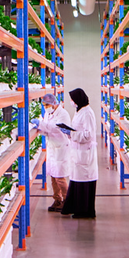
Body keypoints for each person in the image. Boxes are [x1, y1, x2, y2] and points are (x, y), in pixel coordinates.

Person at [58, 88, 99, 219]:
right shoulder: (80, 111)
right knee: (76, 181)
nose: (71, 102)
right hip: (78, 151)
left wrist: (71, 133)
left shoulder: (87, 113)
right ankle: (75, 208)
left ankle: (84, 211)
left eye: (72, 99)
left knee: (84, 183)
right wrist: (70, 132)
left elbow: (88, 135)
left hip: (85, 153)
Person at [33, 92, 71, 211]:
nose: (46, 108)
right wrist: (39, 129)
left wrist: (41, 124)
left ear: (54, 103)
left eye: (47, 105)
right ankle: (57, 200)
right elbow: (47, 129)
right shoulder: (48, 114)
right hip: (53, 147)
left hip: (61, 147)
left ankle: (68, 201)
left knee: (60, 177)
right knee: (53, 177)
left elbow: (54, 128)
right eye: (44, 105)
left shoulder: (63, 114)